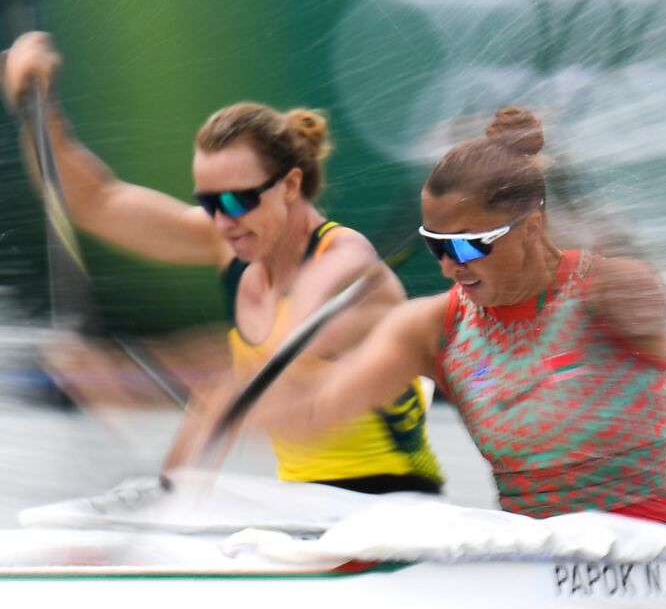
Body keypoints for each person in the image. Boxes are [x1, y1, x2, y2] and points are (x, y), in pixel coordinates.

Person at [2, 32, 444, 495]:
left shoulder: (347, 267)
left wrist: (130, 376)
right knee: (215, 405)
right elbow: (95, 200)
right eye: (208, 202)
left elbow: (280, 387)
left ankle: (163, 511)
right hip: (308, 507)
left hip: (393, 504)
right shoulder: (233, 237)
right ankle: (162, 509)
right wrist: (38, 109)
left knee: (223, 394)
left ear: (290, 186)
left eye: (237, 200)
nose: (221, 219)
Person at [247, 107, 666, 524]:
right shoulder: (432, 326)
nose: (449, 266)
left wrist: (553, 173)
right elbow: (315, 414)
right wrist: (224, 396)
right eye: (435, 244)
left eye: (467, 243)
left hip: (643, 552)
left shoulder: (609, 290)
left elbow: (635, 268)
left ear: (532, 227)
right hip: (528, 559)